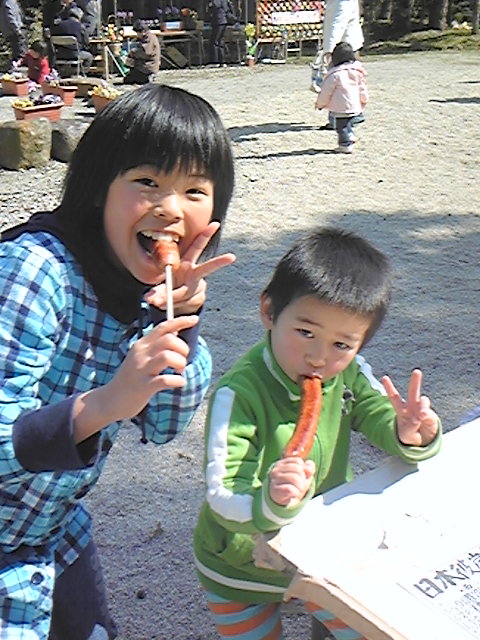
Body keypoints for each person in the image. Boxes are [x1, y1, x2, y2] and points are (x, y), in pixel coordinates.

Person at [0, 83, 235, 640]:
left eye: (194, 190)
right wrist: (107, 402)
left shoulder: (144, 290)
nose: (170, 208)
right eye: (147, 181)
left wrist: (182, 320)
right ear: (98, 187)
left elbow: (164, 424)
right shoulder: (32, 272)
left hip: (49, 529)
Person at [193, 227, 442, 640]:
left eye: (342, 344)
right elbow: (222, 495)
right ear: (269, 311)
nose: (318, 357)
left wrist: (408, 432)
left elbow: (376, 412)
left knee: (365, 630)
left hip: (323, 548)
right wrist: (271, 501)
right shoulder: (238, 395)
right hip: (239, 566)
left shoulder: (348, 374)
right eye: (305, 332)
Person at [315, 41, 367, 154]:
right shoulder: (357, 72)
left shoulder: (335, 74)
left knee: (341, 126)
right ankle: (350, 135)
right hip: (354, 104)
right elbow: (362, 87)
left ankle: (345, 144)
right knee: (348, 122)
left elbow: (326, 92)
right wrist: (364, 100)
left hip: (340, 106)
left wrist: (320, 104)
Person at [319, 0, 365, 130]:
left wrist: (329, 50)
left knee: (339, 84)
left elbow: (337, 24)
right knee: (345, 84)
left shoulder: (342, 2)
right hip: (346, 44)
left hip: (342, 48)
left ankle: (343, 117)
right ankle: (339, 117)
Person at [51, 4, 93, 75]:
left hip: (60, 54)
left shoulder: (59, 25)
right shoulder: (80, 26)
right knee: (89, 57)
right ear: (79, 16)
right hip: (75, 54)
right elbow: (86, 41)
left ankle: (63, 73)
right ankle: (80, 73)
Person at [123, 19, 160, 85]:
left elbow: (146, 53)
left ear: (143, 32)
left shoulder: (149, 38)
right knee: (128, 79)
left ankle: (148, 77)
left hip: (148, 66)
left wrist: (133, 52)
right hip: (143, 65)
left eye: (137, 33)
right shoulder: (145, 38)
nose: (137, 35)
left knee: (131, 80)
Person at [0, 0, 27, 67]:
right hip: (13, 30)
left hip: (11, 30)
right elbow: (10, 17)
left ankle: (16, 66)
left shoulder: (7, 2)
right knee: (20, 51)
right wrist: (17, 29)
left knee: (16, 50)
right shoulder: (9, 2)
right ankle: (19, 67)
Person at [207, 0, 233, 67]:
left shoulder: (216, 1)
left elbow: (215, 8)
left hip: (218, 21)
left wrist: (210, 6)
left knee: (215, 41)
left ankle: (215, 61)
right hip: (223, 21)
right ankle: (222, 61)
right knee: (220, 41)